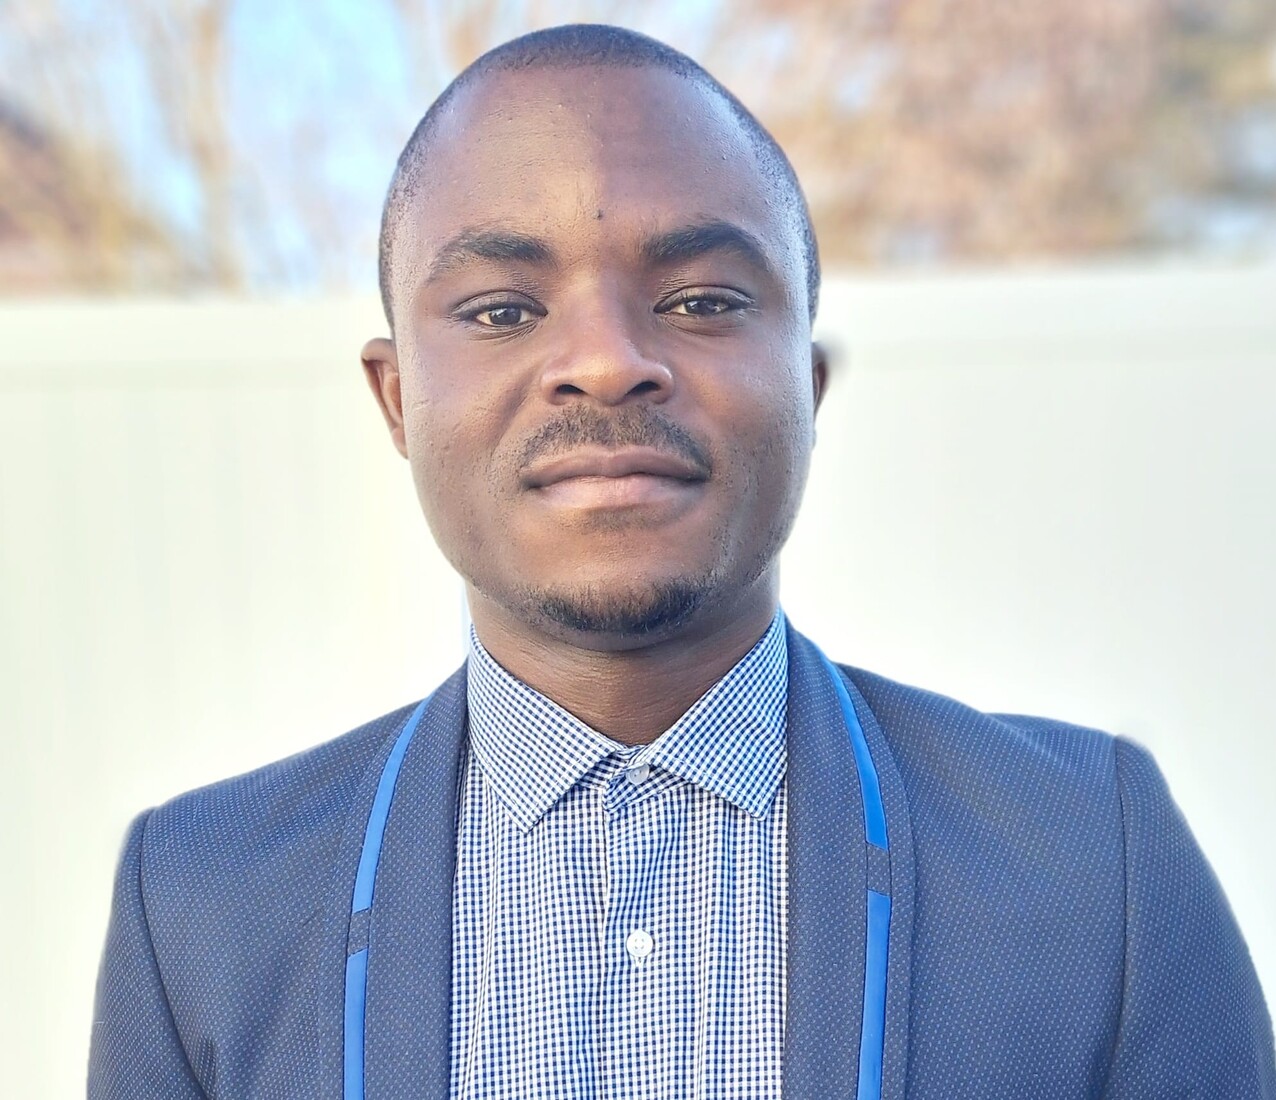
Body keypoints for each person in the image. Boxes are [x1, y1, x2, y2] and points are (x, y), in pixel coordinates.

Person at [88, 23, 1274, 1100]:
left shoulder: (1088, 863)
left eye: (703, 300)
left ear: (807, 390)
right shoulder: (200, 904)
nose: (605, 361)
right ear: (398, 399)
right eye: (503, 309)